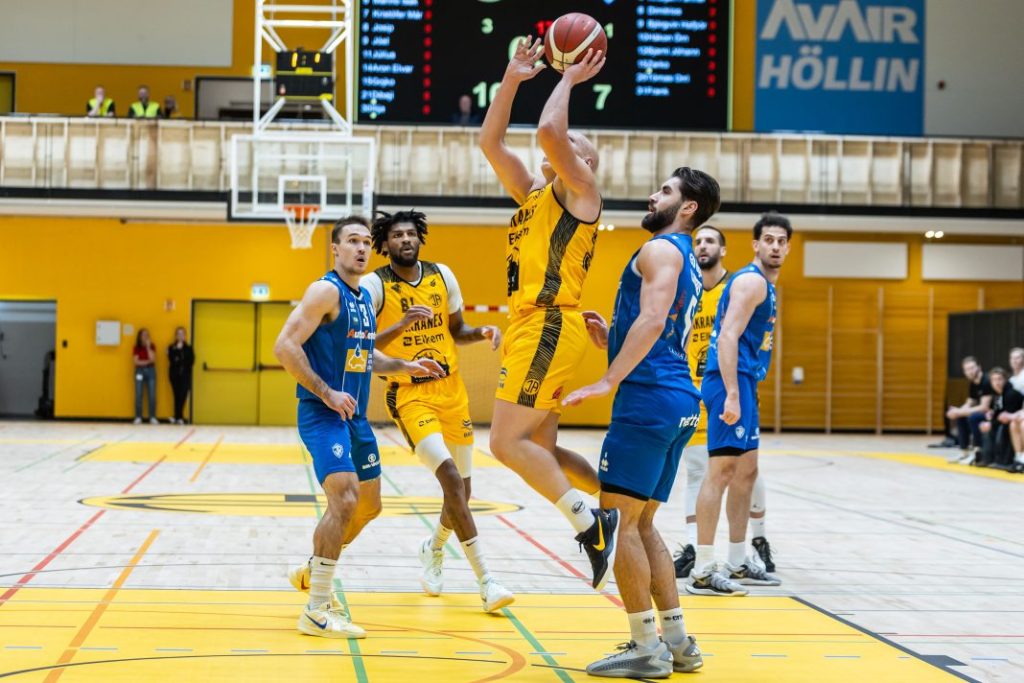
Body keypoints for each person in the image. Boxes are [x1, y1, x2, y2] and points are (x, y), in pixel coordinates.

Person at [563, 167, 719, 677]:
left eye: (666, 191)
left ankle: (644, 647)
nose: (654, 196)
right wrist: (613, 337)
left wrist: (607, 379)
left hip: (648, 398)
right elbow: (660, 327)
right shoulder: (687, 258)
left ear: (688, 207)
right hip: (677, 400)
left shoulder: (659, 249)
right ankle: (677, 641)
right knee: (643, 522)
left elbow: (653, 321)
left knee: (620, 524)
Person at [479, 37, 617, 590]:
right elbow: (490, 141)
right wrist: (512, 78)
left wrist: (567, 78)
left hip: (549, 324)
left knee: (503, 443)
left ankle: (592, 524)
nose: (564, 139)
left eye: (575, 142)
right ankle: (618, 505)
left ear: (584, 162)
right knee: (541, 449)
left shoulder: (582, 190)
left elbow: (547, 132)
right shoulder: (535, 195)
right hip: (534, 327)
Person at [274, 216, 443, 638]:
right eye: (352, 241)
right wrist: (326, 392)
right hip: (323, 412)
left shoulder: (363, 298)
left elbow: (364, 355)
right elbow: (285, 346)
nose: (362, 248)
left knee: (369, 505)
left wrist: (405, 366)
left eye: (367, 241)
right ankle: (316, 608)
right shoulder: (325, 290)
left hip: (356, 417)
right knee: (346, 496)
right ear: (335, 248)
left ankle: (313, 568)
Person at [361, 209, 514, 612]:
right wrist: (402, 325)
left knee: (463, 490)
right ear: (385, 243)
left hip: (452, 392)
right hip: (410, 394)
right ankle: (486, 580)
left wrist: (481, 332)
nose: (405, 240)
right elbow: (364, 343)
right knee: (449, 477)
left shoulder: (442, 276)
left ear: (420, 238)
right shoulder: (375, 285)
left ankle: (433, 547)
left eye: (411, 233)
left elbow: (456, 330)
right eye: (397, 235)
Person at [687, 212, 792, 597]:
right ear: (755, 245)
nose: (775, 246)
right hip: (728, 381)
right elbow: (727, 336)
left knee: (747, 472)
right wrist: (732, 392)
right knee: (720, 472)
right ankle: (702, 569)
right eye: (769, 240)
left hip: (745, 381)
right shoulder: (751, 281)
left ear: (788, 247)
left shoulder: (765, 284)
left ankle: (736, 560)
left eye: (781, 241)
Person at [674, 226, 776, 580]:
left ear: (724, 249)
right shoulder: (686, 290)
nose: (703, 245)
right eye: (698, 241)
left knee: (745, 470)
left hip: (732, 381)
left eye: (710, 241)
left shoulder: (738, 285)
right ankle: (697, 551)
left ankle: (752, 543)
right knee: (701, 470)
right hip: (699, 387)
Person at [945, 357, 993, 465]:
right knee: (961, 417)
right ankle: (964, 452)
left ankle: (977, 452)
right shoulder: (973, 383)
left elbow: (984, 407)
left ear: (979, 367)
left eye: (972, 368)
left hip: (992, 413)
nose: (970, 371)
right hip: (984, 413)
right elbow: (970, 402)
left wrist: (959, 412)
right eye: (967, 369)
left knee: (973, 417)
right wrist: (957, 411)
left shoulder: (986, 381)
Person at [977, 367, 1024, 469]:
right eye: (994, 380)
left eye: (999, 379)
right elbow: (999, 413)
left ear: (1005, 380)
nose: (997, 382)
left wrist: (991, 423)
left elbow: (1005, 416)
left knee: (1004, 426)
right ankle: (988, 458)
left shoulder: (1011, 394)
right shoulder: (998, 395)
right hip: (1011, 420)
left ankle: (1003, 460)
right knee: (983, 424)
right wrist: (990, 417)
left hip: (1013, 421)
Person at [167, 326, 194, 425]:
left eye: (182, 334)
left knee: (183, 395)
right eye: (178, 334)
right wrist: (177, 351)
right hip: (174, 375)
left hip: (185, 375)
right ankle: (178, 417)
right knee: (176, 395)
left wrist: (180, 359)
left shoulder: (189, 348)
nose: (180, 336)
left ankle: (178, 416)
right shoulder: (171, 347)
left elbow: (191, 361)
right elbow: (172, 360)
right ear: (176, 336)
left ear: (185, 336)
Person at [132, 328, 158, 425]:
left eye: (147, 335)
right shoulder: (136, 347)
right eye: (144, 335)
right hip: (139, 371)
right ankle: (138, 417)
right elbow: (136, 362)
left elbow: (153, 359)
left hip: (151, 371)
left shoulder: (152, 346)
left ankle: (152, 417)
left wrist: (148, 347)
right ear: (140, 337)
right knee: (138, 394)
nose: (146, 336)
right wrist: (147, 362)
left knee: (152, 394)